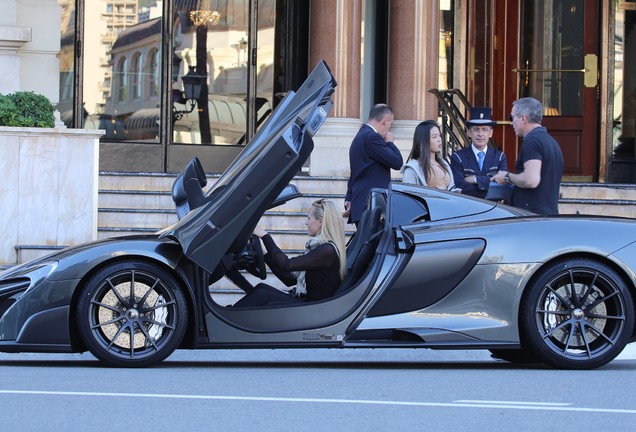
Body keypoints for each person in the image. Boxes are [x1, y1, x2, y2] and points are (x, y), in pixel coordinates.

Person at [233, 199, 346, 307]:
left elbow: (287, 264)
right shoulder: (321, 248)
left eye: (308, 218)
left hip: (313, 308)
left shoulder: (327, 250)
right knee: (261, 289)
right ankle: (233, 316)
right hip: (309, 303)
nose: (306, 223)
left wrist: (265, 236)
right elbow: (288, 279)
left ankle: (231, 318)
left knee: (261, 295)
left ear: (320, 222)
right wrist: (265, 254)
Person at [491, 97, 564, 215]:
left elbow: (531, 180)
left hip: (532, 217)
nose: (511, 123)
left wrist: (506, 177)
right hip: (548, 214)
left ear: (523, 118)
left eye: (512, 118)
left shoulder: (532, 141)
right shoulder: (551, 142)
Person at [344, 104, 403, 225]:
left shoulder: (361, 135)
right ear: (385, 121)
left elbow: (356, 172)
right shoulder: (372, 137)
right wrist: (390, 143)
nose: (389, 128)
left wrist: (349, 196)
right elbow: (397, 162)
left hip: (363, 205)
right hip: (371, 206)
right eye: (390, 123)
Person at [450, 106, 508, 199]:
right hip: (467, 206)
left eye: (484, 129)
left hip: (494, 209)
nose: (480, 134)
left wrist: (475, 179)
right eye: (476, 129)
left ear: (491, 133)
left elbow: (503, 184)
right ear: (469, 132)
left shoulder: (499, 157)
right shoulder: (458, 157)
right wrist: (490, 182)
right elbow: (459, 185)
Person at [400, 120, 457, 190]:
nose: (439, 140)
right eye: (434, 137)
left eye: (439, 136)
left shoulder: (444, 164)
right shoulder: (413, 168)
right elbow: (408, 195)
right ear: (423, 141)